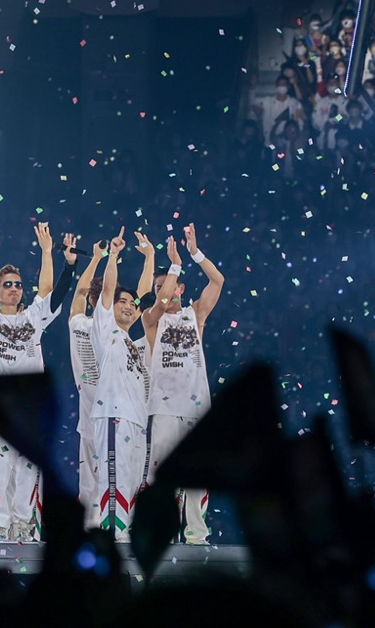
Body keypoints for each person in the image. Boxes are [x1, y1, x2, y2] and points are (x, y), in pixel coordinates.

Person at [0, 224, 76, 541]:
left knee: (29, 470)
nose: (14, 288)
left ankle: (25, 526)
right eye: (7, 285)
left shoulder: (34, 317)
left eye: (17, 284)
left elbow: (58, 294)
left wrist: (68, 265)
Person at [142, 223, 224, 545]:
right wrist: (174, 265)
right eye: (158, 287)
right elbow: (161, 302)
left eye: (167, 285)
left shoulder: (195, 314)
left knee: (197, 475)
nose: (162, 291)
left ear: (180, 288)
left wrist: (195, 253)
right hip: (163, 407)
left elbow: (218, 281)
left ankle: (196, 536)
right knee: (161, 474)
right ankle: (160, 534)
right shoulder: (152, 318)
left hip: (196, 406)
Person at [90, 228, 154, 541]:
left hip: (135, 420)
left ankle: (124, 534)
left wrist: (150, 257)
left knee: (129, 481)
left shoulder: (130, 340)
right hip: (113, 415)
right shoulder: (106, 330)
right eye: (122, 302)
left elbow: (144, 294)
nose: (129, 306)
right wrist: (113, 256)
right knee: (114, 481)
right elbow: (108, 289)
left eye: (132, 304)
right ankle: (112, 537)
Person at [68, 240, 105, 530]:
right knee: (109, 477)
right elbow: (82, 292)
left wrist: (97, 258)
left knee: (95, 479)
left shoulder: (80, 324)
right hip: (101, 417)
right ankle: (108, 530)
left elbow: (81, 292)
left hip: (100, 416)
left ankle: (98, 529)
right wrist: (100, 259)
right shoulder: (104, 328)